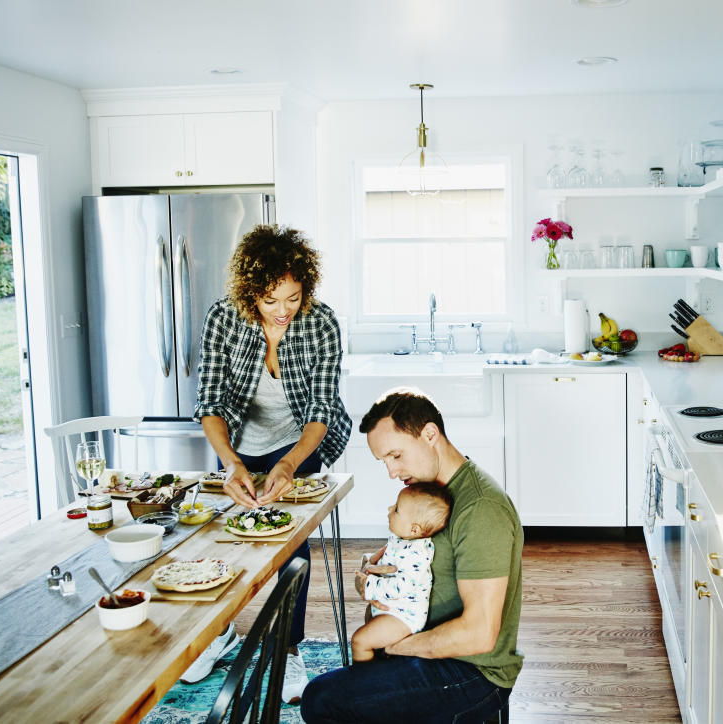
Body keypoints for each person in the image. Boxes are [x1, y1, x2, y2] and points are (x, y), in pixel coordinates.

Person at [188, 224, 351, 704]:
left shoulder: (320, 323)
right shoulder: (223, 318)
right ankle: (219, 634)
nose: (283, 311)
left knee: (292, 546)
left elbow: (322, 409)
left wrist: (289, 465)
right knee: (222, 537)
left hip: (299, 442)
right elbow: (210, 401)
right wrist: (232, 463)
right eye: (270, 300)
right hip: (236, 443)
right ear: (249, 293)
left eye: (293, 298)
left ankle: (290, 648)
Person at [300, 388, 523, 724]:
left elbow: (479, 634)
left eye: (396, 455)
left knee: (321, 700)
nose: (391, 471)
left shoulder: (481, 509)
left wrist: (393, 647)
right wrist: (373, 579)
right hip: (434, 648)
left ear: (430, 434)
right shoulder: (430, 495)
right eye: (385, 461)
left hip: (475, 673)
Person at [351, 482, 452, 663]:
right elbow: (386, 561)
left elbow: (401, 586)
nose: (390, 508)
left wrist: (370, 585)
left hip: (404, 616)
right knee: (369, 622)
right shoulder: (402, 539)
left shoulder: (417, 554)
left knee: (360, 640)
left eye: (397, 509)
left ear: (414, 529)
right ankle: (378, 667)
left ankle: (363, 682)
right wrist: (369, 561)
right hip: (392, 609)